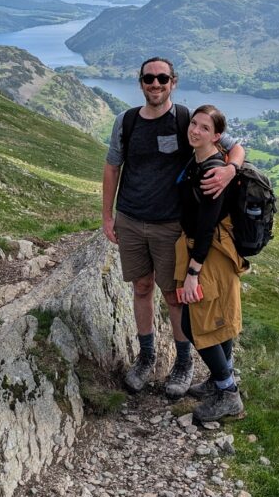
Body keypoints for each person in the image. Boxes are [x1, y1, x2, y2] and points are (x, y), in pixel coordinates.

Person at [103, 57, 244, 397]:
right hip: (132, 219)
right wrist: (107, 216)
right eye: (149, 78)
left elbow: (235, 146)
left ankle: (183, 363)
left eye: (162, 78)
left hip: (170, 226)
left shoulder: (185, 120)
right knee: (141, 287)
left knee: (174, 296)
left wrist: (230, 170)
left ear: (173, 82)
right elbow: (112, 169)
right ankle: (146, 357)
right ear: (141, 83)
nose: (155, 84)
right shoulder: (127, 122)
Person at [176, 104, 247, 421]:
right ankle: (220, 382)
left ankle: (228, 393)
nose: (195, 130)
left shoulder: (211, 172)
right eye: (194, 124)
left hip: (209, 254)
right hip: (209, 251)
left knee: (196, 325)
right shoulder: (202, 157)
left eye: (204, 128)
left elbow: (206, 227)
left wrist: (193, 272)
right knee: (216, 320)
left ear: (217, 135)